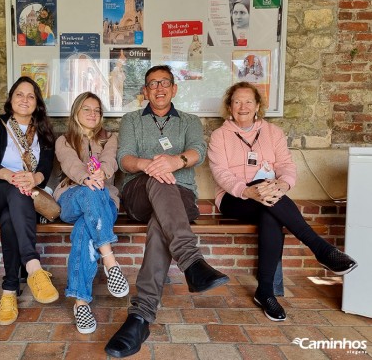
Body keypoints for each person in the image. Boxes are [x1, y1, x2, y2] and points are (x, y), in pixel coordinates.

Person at [105, 65, 230, 358]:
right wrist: (150, 166)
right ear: (145, 92)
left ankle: (140, 318)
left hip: (181, 195)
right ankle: (192, 262)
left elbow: (198, 149)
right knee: (157, 181)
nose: (159, 88)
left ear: (174, 89)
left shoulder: (189, 121)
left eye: (165, 83)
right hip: (139, 193)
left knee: (161, 220)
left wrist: (176, 161)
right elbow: (124, 159)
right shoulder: (132, 120)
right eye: (152, 84)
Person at [207, 81, 358, 322]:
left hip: (269, 193)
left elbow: (286, 166)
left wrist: (282, 184)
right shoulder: (219, 136)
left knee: (270, 212)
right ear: (229, 107)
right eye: (237, 101)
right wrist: (249, 192)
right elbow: (221, 174)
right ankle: (321, 249)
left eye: (248, 101)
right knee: (272, 205)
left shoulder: (273, 132)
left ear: (257, 106)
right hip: (234, 197)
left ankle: (265, 292)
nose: (242, 106)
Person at [0, 76, 59, 326]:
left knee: (10, 218)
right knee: (16, 192)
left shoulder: (44, 132)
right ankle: (33, 266)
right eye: (19, 94)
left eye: (31, 96)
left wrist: (34, 178)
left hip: (19, 202)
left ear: (37, 102)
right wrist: (16, 178)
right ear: (10, 98)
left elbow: (45, 168)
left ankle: (9, 291)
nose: (25, 100)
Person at [53, 92, 129, 334]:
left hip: (104, 200)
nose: (92, 113)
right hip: (72, 197)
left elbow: (110, 161)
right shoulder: (64, 140)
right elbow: (70, 164)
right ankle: (110, 260)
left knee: (84, 229)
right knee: (88, 192)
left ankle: (81, 302)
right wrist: (86, 178)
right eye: (87, 109)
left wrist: (101, 175)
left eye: (97, 110)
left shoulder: (110, 139)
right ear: (76, 111)